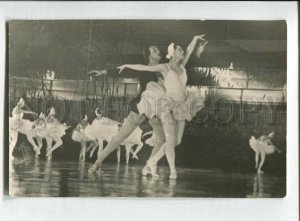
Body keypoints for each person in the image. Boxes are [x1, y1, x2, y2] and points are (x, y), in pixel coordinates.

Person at [117, 35, 207, 179]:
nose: (182, 52)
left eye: (182, 50)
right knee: (170, 141)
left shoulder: (182, 68)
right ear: (173, 53)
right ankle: (173, 171)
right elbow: (144, 68)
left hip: (183, 106)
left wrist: (195, 39)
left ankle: (151, 162)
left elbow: (190, 51)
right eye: (179, 50)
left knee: (177, 141)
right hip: (168, 106)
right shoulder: (165, 67)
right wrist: (127, 65)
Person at [88, 45, 166, 173]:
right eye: (154, 50)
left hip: (155, 109)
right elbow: (126, 71)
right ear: (149, 55)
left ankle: (148, 166)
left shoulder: (163, 69)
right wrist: (104, 72)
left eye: (158, 49)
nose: (158, 51)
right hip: (142, 106)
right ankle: (97, 162)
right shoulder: (144, 69)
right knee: (119, 138)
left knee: (162, 140)